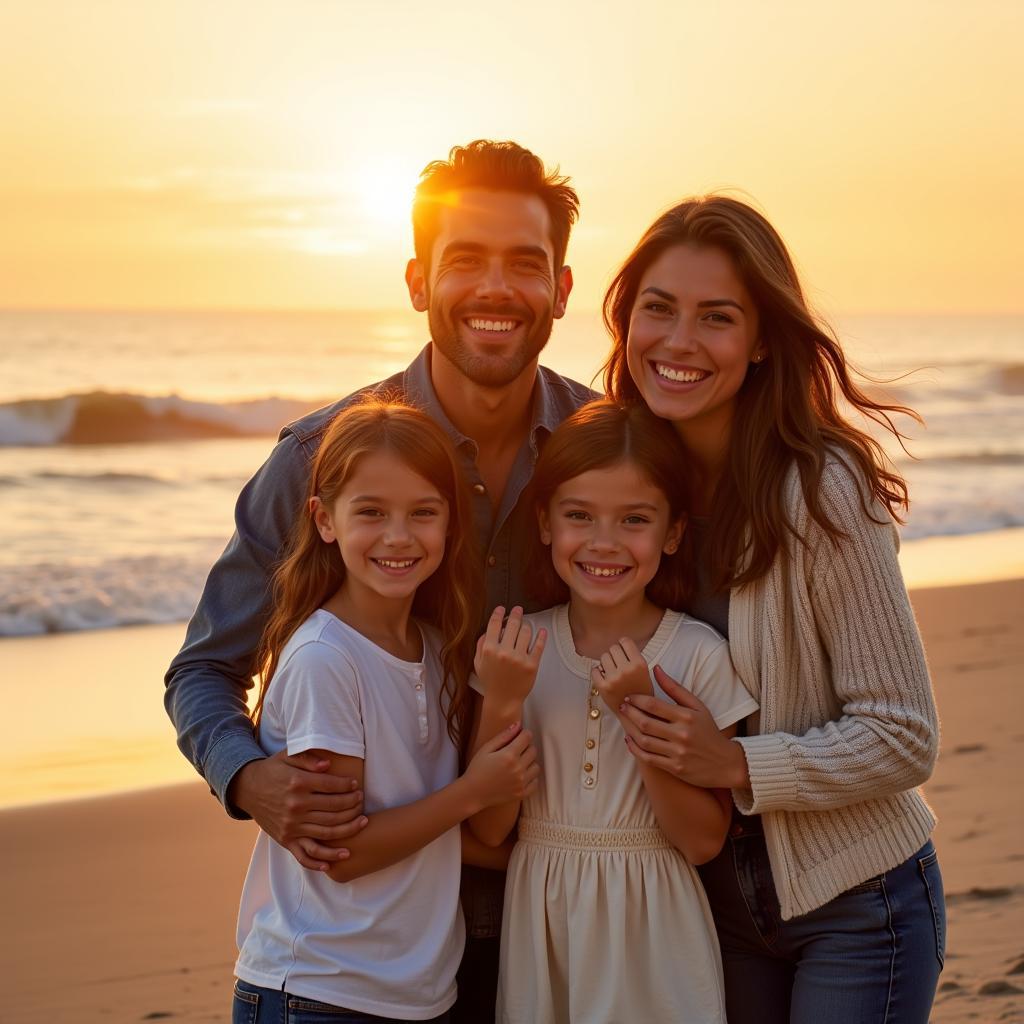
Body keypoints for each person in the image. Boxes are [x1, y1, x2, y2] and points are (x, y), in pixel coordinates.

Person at [164, 139, 593, 1019]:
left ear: (560, 288)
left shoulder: (609, 452)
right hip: (369, 946)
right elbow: (204, 670)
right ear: (416, 282)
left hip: (567, 892)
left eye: (524, 262)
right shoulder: (322, 461)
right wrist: (249, 779)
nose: (494, 288)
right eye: (464, 260)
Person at [602, 195, 944, 1023]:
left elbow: (904, 734)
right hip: (710, 910)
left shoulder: (821, 489)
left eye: (715, 318)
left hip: (856, 900)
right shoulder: (628, 484)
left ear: (760, 342)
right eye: (658, 309)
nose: (678, 342)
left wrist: (737, 766)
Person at [232, 399, 539, 1023]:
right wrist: (471, 792)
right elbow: (345, 856)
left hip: (417, 993)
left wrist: (503, 706)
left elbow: (475, 831)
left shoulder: (435, 648)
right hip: (321, 990)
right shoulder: (326, 658)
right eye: (371, 512)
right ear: (324, 519)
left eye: (423, 513)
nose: (399, 536)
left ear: (451, 526)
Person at [467, 399, 759, 1023]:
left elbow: (703, 842)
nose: (604, 543)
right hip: (542, 922)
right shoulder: (515, 649)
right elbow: (490, 829)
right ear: (544, 522)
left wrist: (636, 708)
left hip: (657, 928)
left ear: (673, 533)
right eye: (579, 516)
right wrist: (503, 701)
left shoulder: (698, 654)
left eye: (634, 520)